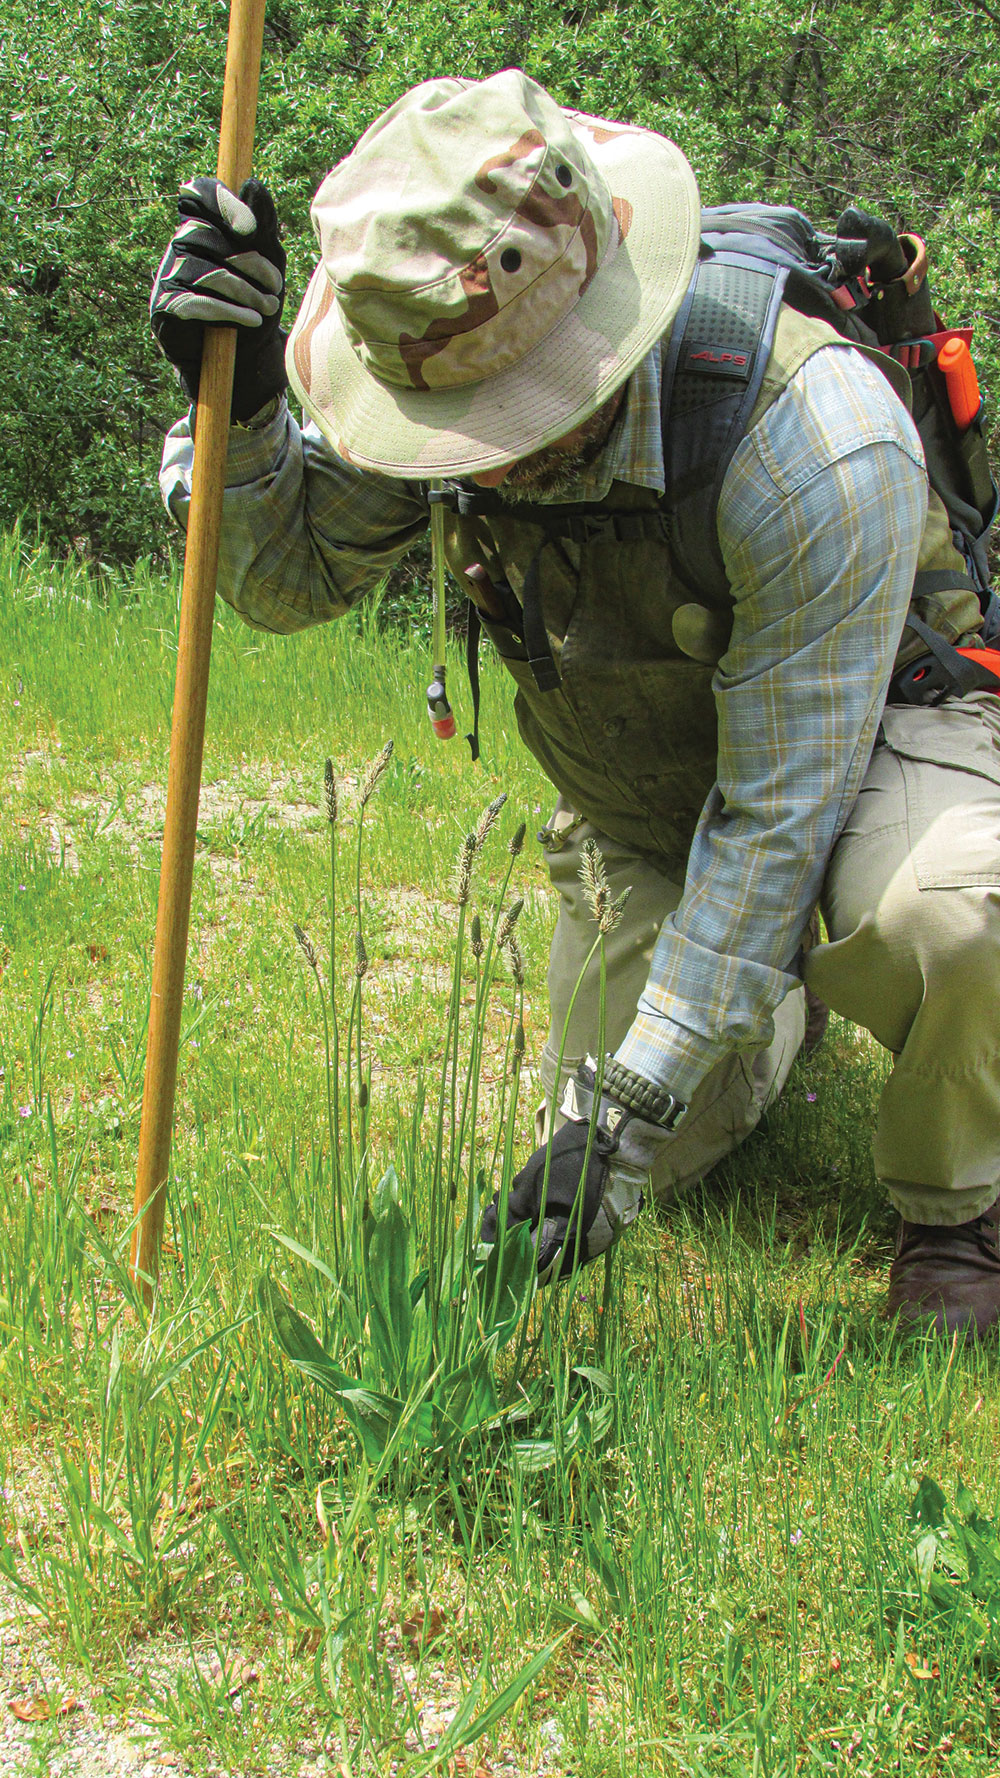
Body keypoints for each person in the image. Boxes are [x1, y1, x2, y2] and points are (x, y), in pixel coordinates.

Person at [151, 68, 1000, 1335]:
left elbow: (778, 816)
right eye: (461, 426)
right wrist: (246, 411)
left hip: (876, 747)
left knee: (952, 916)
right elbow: (285, 583)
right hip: (639, 802)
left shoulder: (812, 430)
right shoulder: (444, 380)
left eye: (519, 414)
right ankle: (780, 1010)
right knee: (671, 1156)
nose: (488, 454)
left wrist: (621, 1116)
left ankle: (963, 1204)